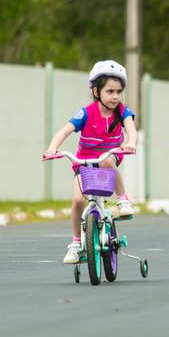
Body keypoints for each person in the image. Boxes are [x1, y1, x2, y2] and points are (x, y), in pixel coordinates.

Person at [44, 60, 138, 264]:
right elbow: (64, 131)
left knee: (106, 161)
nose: (115, 96)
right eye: (110, 91)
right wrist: (52, 148)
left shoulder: (122, 111)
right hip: (84, 161)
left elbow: (131, 129)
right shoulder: (86, 113)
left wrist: (130, 143)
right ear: (96, 92)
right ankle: (76, 244)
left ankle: (122, 199)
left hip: (110, 155)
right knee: (78, 201)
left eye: (119, 91)